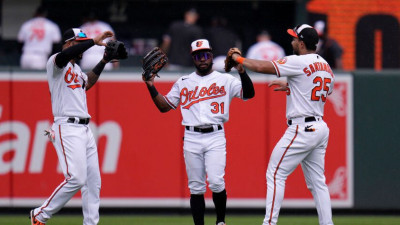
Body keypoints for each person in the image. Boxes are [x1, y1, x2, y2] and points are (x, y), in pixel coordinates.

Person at [228, 24, 335, 225]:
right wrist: (292, 85)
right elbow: (324, 91)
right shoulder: (326, 66)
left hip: (302, 128)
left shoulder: (298, 60)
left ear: (302, 43)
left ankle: (269, 223)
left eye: (295, 38)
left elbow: (261, 67)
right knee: (318, 183)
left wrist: (238, 59)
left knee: (275, 173)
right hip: (320, 127)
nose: (292, 41)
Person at [143, 39, 255, 225]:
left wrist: (242, 71)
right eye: (198, 56)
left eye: (205, 55)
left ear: (211, 56)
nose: (202, 59)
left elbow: (249, 93)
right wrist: (150, 85)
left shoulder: (225, 79)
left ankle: (220, 221)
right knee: (196, 187)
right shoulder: (184, 81)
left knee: (217, 182)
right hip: (191, 137)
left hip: (215, 135)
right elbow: (164, 107)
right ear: (193, 58)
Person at [29, 28, 117, 225]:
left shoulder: (75, 69)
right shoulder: (55, 62)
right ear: (68, 44)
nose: (82, 48)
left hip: (84, 129)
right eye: (79, 43)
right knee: (76, 178)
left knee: (93, 183)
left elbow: (87, 83)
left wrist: (103, 62)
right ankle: (40, 214)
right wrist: (94, 41)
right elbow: (64, 56)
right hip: (66, 127)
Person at [17, 6, 61, 70]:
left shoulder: (27, 24)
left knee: (24, 78)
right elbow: (56, 44)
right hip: (40, 56)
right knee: (38, 78)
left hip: (26, 55)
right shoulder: (51, 25)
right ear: (45, 14)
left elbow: (20, 43)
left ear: (35, 13)